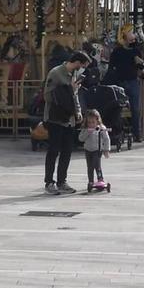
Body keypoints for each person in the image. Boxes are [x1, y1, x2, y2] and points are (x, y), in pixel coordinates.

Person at [43, 52, 86, 193]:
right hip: (55, 118)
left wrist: (78, 111)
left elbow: (75, 95)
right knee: (53, 150)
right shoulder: (56, 73)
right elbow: (48, 95)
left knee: (67, 151)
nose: (81, 68)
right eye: (81, 65)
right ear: (76, 62)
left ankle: (62, 181)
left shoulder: (73, 74)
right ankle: (49, 182)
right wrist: (69, 89)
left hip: (69, 119)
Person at [106, 33, 144, 143]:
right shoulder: (117, 51)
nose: (133, 42)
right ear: (124, 40)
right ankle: (117, 132)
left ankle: (136, 134)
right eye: (130, 40)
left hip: (132, 81)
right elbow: (111, 67)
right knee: (117, 107)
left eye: (134, 39)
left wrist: (140, 63)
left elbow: (141, 66)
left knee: (135, 109)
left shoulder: (136, 51)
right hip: (120, 81)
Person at [79, 108, 112, 193]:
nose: (91, 124)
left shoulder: (101, 128)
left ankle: (100, 179)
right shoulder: (85, 129)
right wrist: (87, 132)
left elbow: (106, 139)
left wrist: (106, 150)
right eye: (89, 122)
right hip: (88, 150)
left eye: (93, 122)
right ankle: (91, 181)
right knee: (90, 167)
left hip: (97, 150)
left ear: (97, 121)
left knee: (97, 165)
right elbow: (81, 138)